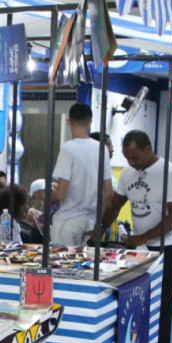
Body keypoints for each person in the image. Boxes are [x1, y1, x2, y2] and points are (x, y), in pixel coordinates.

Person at [102, 131, 172, 343]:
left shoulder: (171, 174)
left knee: (163, 300)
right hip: (140, 248)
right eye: (128, 158)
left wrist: (144, 237)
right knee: (139, 298)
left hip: (166, 246)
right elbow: (116, 204)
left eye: (136, 157)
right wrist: (100, 227)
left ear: (148, 149)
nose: (131, 163)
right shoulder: (129, 173)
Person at [52, 103, 111, 246]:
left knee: (62, 266)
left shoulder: (68, 148)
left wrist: (44, 195)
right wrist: (97, 221)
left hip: (68, 222)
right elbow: (109, 192)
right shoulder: (102, 148)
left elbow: (60, 194)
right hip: (90, 223)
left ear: (68, 121)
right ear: (90, 122)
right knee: (82, 266)